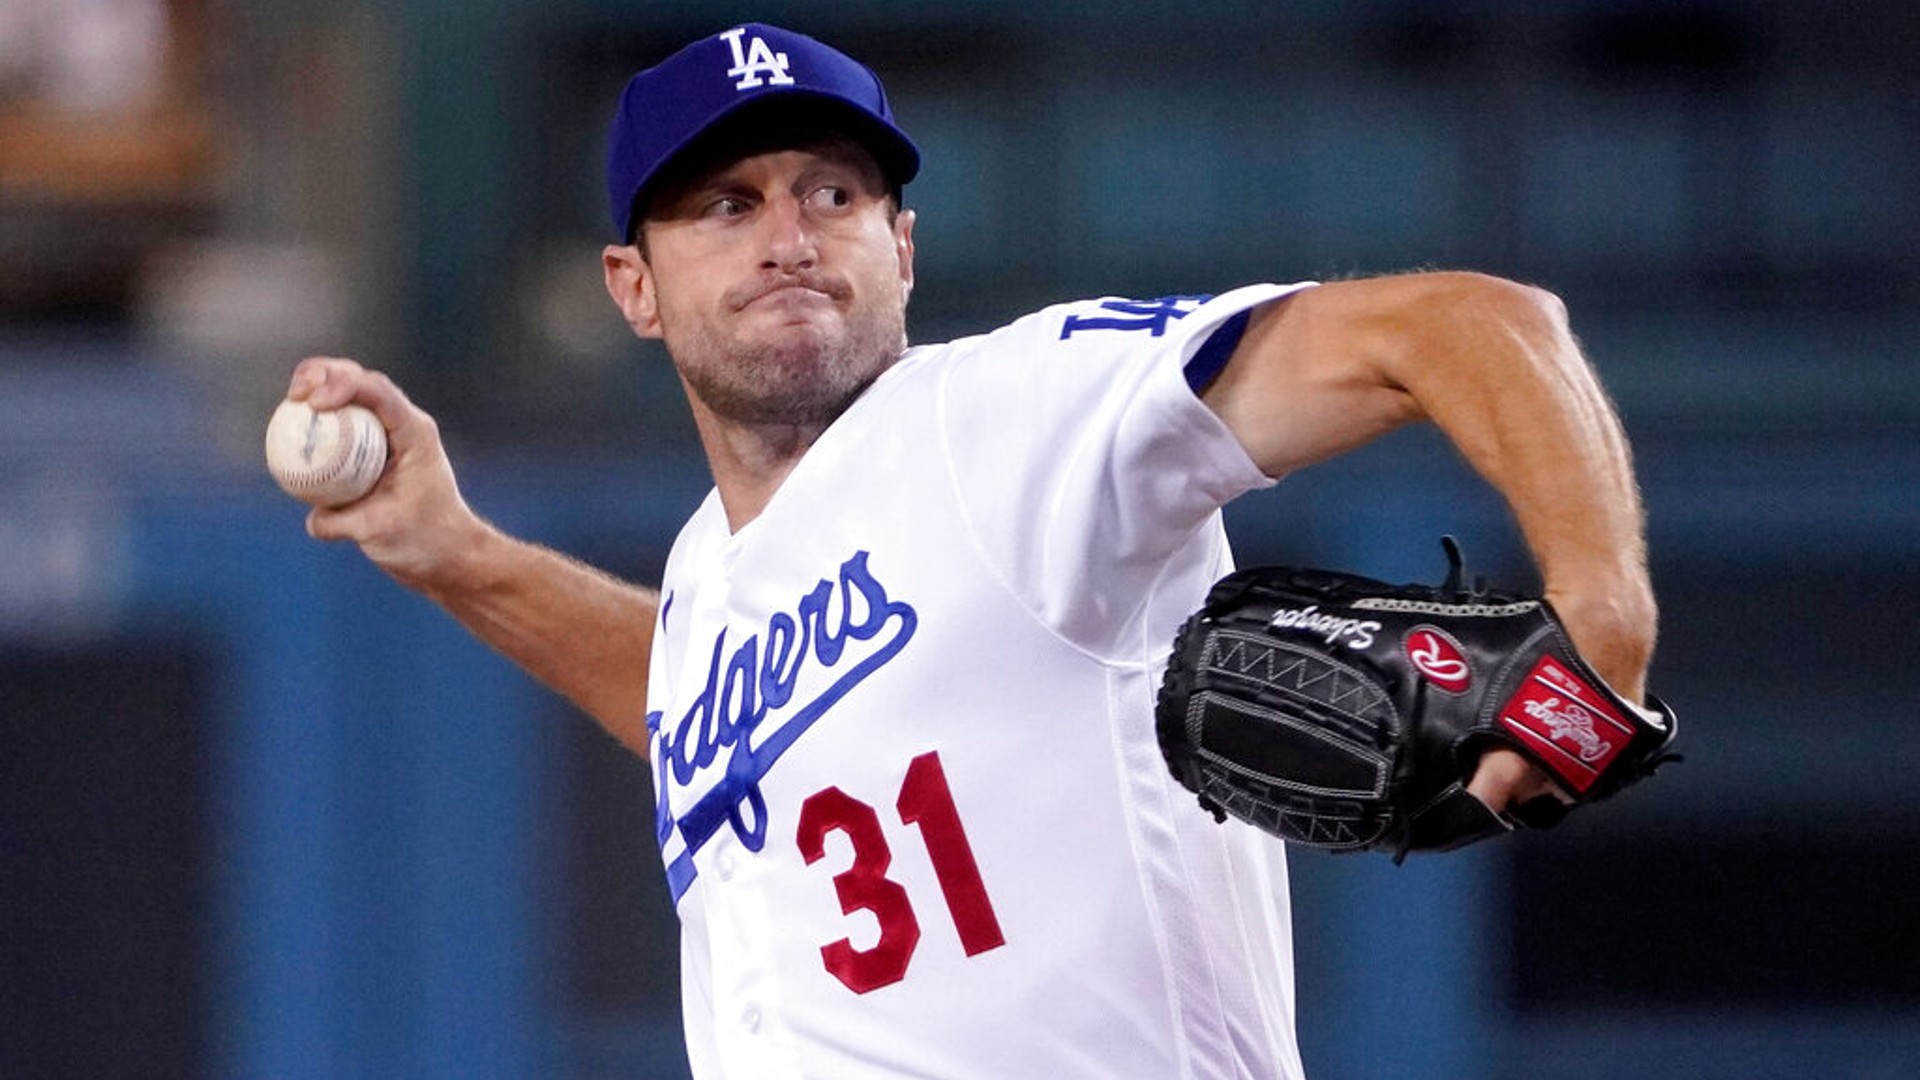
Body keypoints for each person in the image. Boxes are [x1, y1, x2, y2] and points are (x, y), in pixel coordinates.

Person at [285, 22, 1656, 1080]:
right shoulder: (716, 571)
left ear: (904, 248)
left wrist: (1601, 606)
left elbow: (1472, 325)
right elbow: (691, 698)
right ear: (632, 288)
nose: (788, 236)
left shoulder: (1012, 415)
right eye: (725, 203)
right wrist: (453, 552)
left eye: (834, 193)